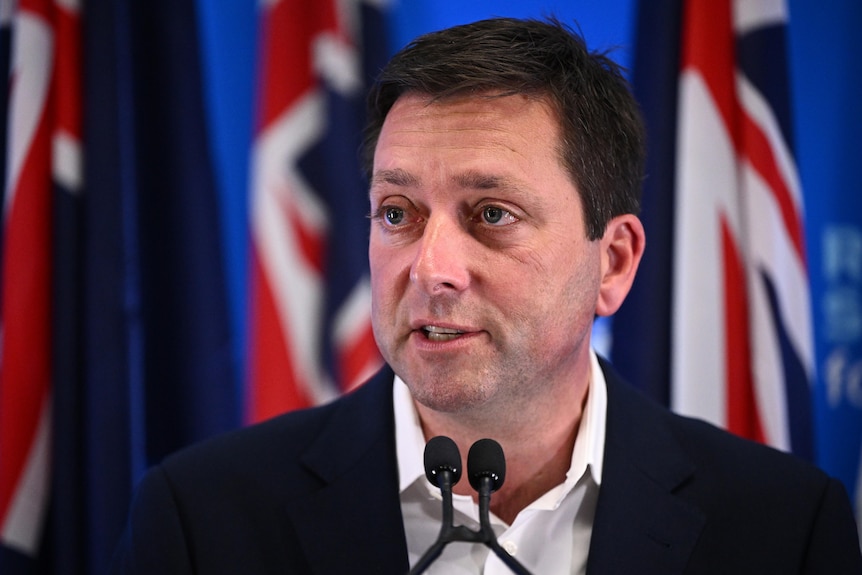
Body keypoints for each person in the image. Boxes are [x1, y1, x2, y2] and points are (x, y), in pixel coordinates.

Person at [111, 17, 862, 574]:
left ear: (615, 262)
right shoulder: (199, 521)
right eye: (398, 214)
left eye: (491, 214)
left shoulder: (784, 528)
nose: (431, 267)